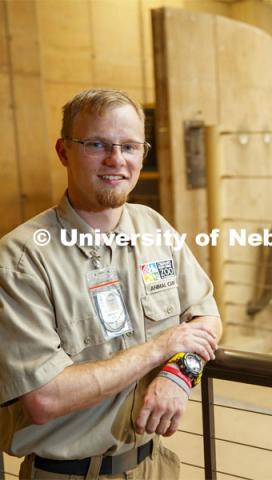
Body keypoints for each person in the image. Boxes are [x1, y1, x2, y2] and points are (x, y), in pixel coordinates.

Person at [0, 89, 222, 479]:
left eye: (129, 146)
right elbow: (45, 397)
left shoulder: (155, 229)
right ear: (64, 151)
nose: (116, 160)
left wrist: (179, 374)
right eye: (96, 144)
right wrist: (163, 347)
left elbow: (205, 318)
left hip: (156, 466)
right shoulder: (21, 262)